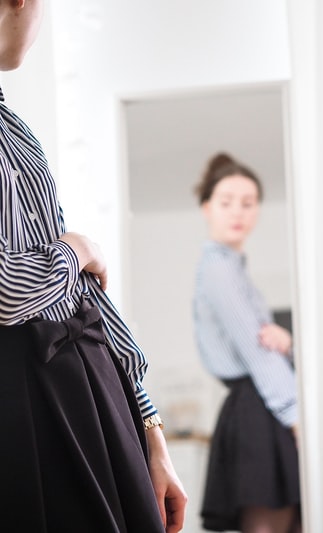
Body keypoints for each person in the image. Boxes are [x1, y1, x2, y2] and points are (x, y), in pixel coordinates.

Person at [0, 1, 187, 532]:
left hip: (88, 396)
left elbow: (86, 300)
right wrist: (79, 250)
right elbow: (9, 292)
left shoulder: (12, 125)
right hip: (38, 408)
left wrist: (148, 426)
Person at [192, 153, 301, 533]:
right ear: (207, 208)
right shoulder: (220, 270)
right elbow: (257, 355)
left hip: (262, 405)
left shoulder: (233, 268)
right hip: (260, 409)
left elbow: (266, 346)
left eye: (248, 203)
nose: (237, 212)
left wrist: (286, 342)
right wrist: (296, 415)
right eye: (226, 202)